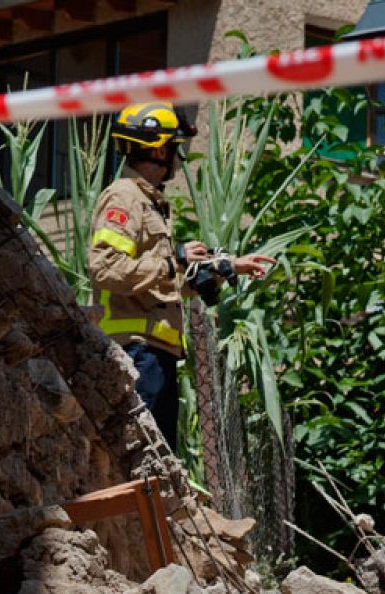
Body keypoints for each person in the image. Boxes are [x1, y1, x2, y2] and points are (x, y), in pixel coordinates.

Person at [88, 101, 274, 451]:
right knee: (145, 461)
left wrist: (227, 267)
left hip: (155, 353)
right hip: (135, 354)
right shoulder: (124, 197)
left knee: (160, 460)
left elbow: (158, 282)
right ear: (158, 148)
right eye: (174, 146)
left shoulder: (149, 202)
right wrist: (173, 260)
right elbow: (105, 268)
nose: (178, 157)